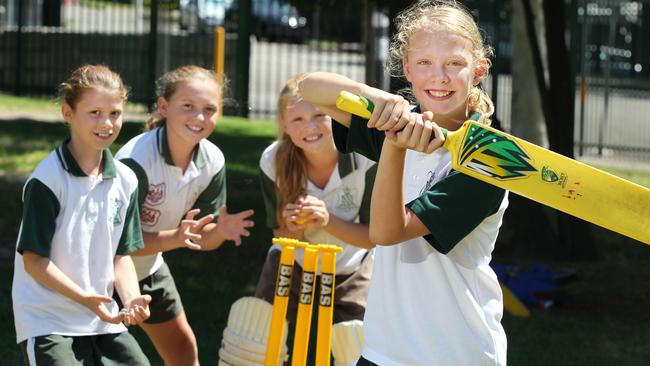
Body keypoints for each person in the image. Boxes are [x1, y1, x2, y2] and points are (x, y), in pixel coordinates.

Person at [298, 1, 509, 365]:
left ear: (479, 70)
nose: (439, 77)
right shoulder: (402, 119)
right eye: (424, 63)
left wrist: (393, 143)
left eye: (454, 64)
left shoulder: (487, 159)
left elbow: (385, 232)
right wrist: (381, 100)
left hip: (455, 353)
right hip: (384, 349)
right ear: (407, 68)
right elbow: (311, 88)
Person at [12, 64, 151, 365]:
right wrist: (85, 298)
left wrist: (130, 299)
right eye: (95, 113)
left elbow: (120, 257)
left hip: (101, 318)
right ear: (67, 113)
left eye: (115, 113)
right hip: (47, 320)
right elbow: (34, 262)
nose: (107, 123)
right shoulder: (47, 180)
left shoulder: (126, 181)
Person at [115, 65, 254, 366]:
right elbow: (119, 245)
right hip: (100, 272)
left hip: (149, 268)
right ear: (164, 107)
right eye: (188, 106)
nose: (199, 117)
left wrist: (220, 232)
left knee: (183, 352)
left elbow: (199, 239)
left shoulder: (213, 160)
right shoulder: (134, 161)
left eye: (209, 109)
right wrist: (176, 238)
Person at [254, 74, 376, 349]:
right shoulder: (273, 160)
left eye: (320, 115)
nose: (309, 126)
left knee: (360, 347)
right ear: (284, 124)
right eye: (297, 119)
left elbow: (373, 237)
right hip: (292, 262)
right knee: (257, 338)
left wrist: (327, 220)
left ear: (338, 115)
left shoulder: (365, 157)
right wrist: (292, 225)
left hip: (351, 265)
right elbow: (280, 234)